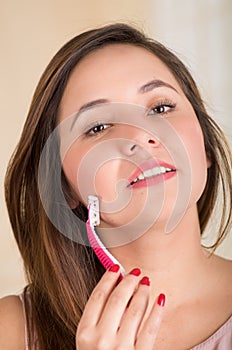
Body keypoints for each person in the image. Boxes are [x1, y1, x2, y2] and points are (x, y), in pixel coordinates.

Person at [1, 23, 232, 350]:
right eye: (98, 127)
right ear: (64, 186)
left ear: (205, 146)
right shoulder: (12, 332)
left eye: (160, 108)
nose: (138, 135)